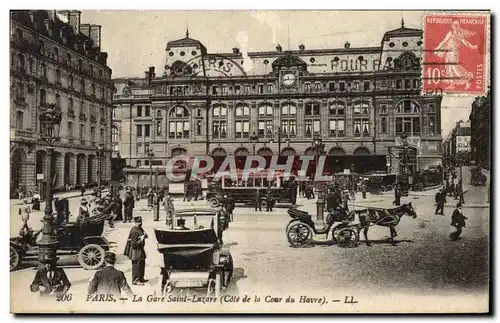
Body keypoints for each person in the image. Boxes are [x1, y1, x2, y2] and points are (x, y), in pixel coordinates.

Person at [123, 216, 148, 285]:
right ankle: (135, 280)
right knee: (136, 265)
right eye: (138, 223)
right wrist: (141, 239)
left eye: (141, 222)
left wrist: (144, 236)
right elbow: (133, 244)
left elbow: (146, 235)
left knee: (142, 264)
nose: (140, 224)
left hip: (140, 250)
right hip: (136, 251)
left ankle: (141, 278)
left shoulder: (140, 228)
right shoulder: (134, 231)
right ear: (135, 223)